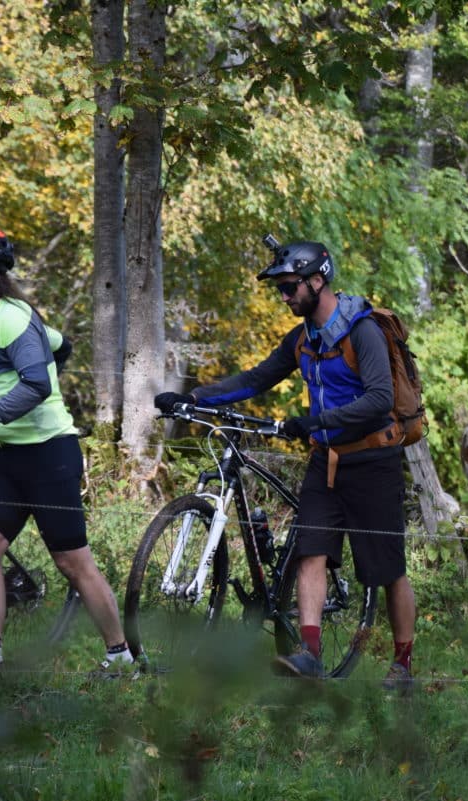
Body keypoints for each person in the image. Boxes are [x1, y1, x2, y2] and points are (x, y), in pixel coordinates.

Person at [154, 239, 417, 691]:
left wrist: (316, 420)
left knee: (387, 570)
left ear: (318, 279)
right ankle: (310, 654)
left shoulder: (362, 331)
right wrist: (195, 397)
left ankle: (403, 664)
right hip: (326, 461)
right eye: (280, 288)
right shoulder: (302, 340)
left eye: (290, 286)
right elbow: (256, 378)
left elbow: (379, 400)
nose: (285, 296)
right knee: (310, 550)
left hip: (373, 460)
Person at [0, 226, 133, 675]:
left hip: (50, 454)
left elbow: (38, 384)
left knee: (71, 560)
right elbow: (60, 346)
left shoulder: (13, 317)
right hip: (13, 456)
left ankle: (120, 656)